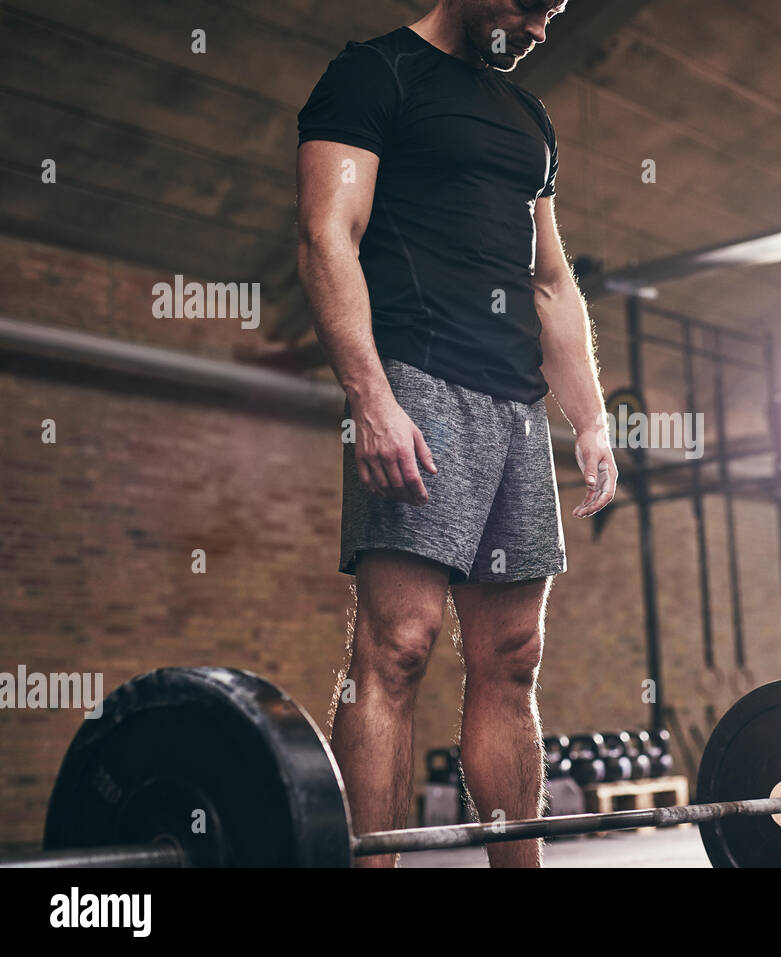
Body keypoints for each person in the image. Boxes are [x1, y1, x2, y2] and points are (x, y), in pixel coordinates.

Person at [296, 0, 615, 869]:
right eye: (529, 7)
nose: (542, 30)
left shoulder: (530, 117)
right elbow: (330, 234)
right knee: (396, 648)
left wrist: (586, 417)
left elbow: (551, 282)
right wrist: (370, 395)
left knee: (512, 658)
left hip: (515, 408)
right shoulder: (374, 74)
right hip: (417, 380)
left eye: (553, 14)